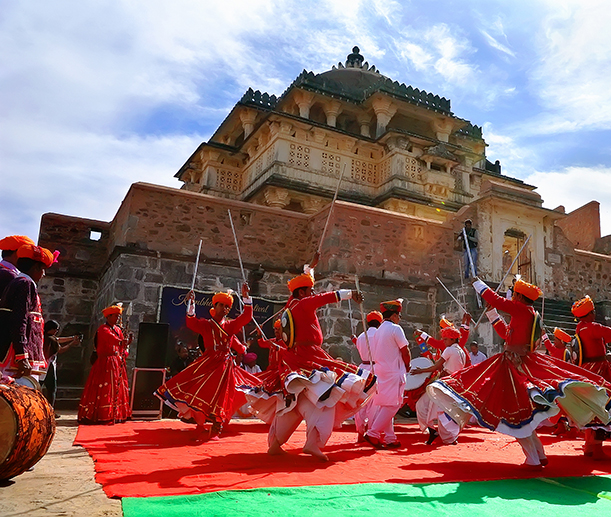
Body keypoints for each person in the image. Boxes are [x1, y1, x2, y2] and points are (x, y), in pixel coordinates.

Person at [427, 278, 611, 469]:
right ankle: (537, 454)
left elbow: (498, 300)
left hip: (514, 365)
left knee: (513, 414)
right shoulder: (528, 313)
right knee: (518, 414)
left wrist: (477, 283)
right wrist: (492, 313)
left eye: (514, 294)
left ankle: (534, 457)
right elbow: (507, 334)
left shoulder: (522, 310)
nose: (512, 296)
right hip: (517, 363)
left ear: (519, 297)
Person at [266, 272, 375, 461]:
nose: (313, 292)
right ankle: (312, 444)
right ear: (301, 293)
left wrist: (311, 268)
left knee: (293, 403)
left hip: (295, 359)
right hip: (309, 357)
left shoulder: (291, 305)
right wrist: (350, 293)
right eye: (310, 290)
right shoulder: (303, 304)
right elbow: (324, 298)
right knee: (326, 396)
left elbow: (313, 292)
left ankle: (276, 443)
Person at [155, 283, 261, 439]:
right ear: (215, 306)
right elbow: (191, 322)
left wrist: (246, 298)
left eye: (227, 307)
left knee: (222, 396)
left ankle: (217, 427)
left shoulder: (230, 326)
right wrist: (191, 303)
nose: (224, 309)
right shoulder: (206, 325)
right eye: (222, 305)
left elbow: (246, 317)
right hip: (208, 362)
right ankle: (200, 424)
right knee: (200, 392)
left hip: (224, 365)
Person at [0, 243, 55, 383]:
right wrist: (22, 356)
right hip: (16, 356)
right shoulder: (26, 284)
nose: (44, 274)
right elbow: (19, 319)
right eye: (43, 269)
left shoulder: (18, 282)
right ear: (36, 267)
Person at [363, 299, 411, 450]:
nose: (399, 318)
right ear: (395, 315)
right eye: (399, 315)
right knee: (393, 405)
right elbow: (405, 350)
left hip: (381, 371)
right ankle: (373, 433)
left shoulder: (379, 331)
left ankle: (390, 438)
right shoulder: (395, 329)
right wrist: (408, 365)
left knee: (386, 405)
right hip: (393, 371)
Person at [412, 325, 467, 445]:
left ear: (453, 339)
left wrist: (419, 371)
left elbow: (436, 366)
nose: (444, 341)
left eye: (446, 339)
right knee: (438, 409)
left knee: (434, 409)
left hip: (445, 384)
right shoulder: (461, 350)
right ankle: (441, 434)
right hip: (451, 384)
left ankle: (444, 435)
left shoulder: (450, 350)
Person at [571, 295, 611, 459]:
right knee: (602, 407)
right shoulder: (593, 327)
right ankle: (597, 449)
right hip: (599, 371)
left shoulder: (579, 328)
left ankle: (589, 446)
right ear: (590, 314)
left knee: (589, 407)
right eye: (593, 312)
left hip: (586, 371)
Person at [78, 305, 132, 424]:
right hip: (106, 362)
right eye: (116, 316)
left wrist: (126, 345)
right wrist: (123, 342)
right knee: (105, 388)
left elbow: (121, 345)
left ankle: (116, 413)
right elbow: (113, 340)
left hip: (117, 362)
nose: (118, 318)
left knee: (117, 388)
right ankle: (102, 414)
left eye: (119, 316)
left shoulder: (117, 330)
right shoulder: (103, 330)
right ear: (108, 317)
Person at [353, 310, 382, 441]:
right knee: (374, 402)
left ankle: (360, 431)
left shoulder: (360, 336)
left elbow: (360, 349)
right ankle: (371, 431)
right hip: (376, 368)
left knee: (361, 400)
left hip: (362, 369)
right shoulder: (380, 335)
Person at [42, 320, 82, 416]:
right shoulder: (50, 339)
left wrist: (72, 338)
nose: (56, 331)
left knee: (40, 387)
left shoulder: (44, 337)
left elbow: (58, 339)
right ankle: (50, 411)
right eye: (55, 329)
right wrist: (71, 343)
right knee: (51, 389)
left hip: (41, 366)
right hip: (48, 367)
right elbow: (60, 349)